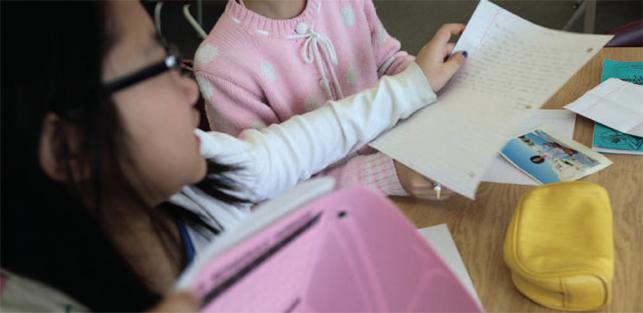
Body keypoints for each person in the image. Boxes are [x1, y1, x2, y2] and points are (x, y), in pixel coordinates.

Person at [1, 1, 464, 311]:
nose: (187, 88)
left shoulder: (204, 168)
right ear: (67, 147)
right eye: (156, 66)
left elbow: (290, 147)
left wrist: (412, 86)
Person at [194, 0, 465, 200]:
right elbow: (271, 196)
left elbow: (385, 61)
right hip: (332, 213)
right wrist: (388, 176)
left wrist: (438, 73)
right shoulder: (220, 63)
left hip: (411, 166)